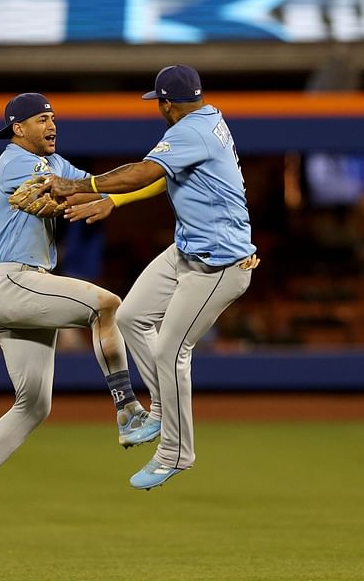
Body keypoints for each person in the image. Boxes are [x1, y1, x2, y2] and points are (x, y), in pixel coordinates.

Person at [0, 92, 158, 550]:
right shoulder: (15, 159)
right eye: (41, 119)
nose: (52, 125)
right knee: (106, 303)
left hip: (21, 293)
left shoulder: (54, 164)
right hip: (12, 283)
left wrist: (129, 189)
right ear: (19, 129)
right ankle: (128, 410)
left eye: (54, 117)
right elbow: (56, 190)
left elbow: (98, 184)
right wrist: (76, 194)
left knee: (34, 405)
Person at [46, 65, 260, 491]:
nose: (157, 109)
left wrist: (79, 185)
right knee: (130, 318)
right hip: (188, 250)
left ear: (167, 103)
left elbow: (145, 171)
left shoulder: (190, 132)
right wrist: (111, 199)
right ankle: (162, 408)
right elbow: (163, 176)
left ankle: (176, 452)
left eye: (158, 102)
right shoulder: (209, 118)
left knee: (171, 351)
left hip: (220, 264)